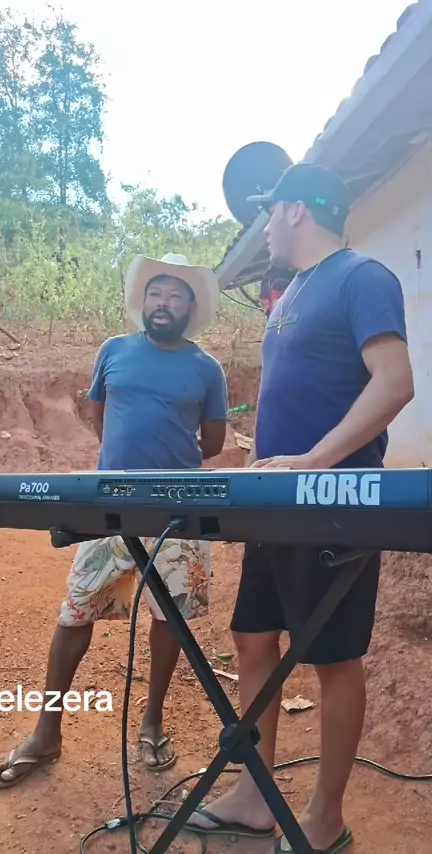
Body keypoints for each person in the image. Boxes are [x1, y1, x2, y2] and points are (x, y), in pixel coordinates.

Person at [187, 163, 414, 853]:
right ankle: (255, 794)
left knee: (332, 657)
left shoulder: (361, 277)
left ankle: (325, 815)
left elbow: (394, 383)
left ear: (294, 210)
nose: (262, 227)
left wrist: (314, 459)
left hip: (332, 503)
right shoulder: (293, 291)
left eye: (269, 212)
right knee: (253, 638)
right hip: (277, 504)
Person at [0, 252, 228, 787]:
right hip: (109, 501)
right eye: (156, 293)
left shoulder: (207, 369)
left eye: (175, 296)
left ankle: (153, 721)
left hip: (178, 507)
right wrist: (124, 461)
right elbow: (98, 415)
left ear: (190, 307)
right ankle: (46, 733)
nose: (163, 303)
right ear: (144, 300)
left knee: (170, 617)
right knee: (75, 613)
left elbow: (213, 441)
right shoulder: (113, 351)